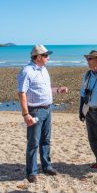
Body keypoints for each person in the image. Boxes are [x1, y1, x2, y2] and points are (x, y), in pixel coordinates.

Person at [17, 44, 69, 183]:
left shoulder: (43, 69)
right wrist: (26, 114)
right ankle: (31, 172)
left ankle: (47, 166)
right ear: (38, 57)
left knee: (46, 140)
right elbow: (21, 93)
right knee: (33, 142)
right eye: (46, 55)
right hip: (34, 111)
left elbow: (44, 89)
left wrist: (58, 90)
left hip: (47, 109)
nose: (48, 57)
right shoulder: (27, 71)